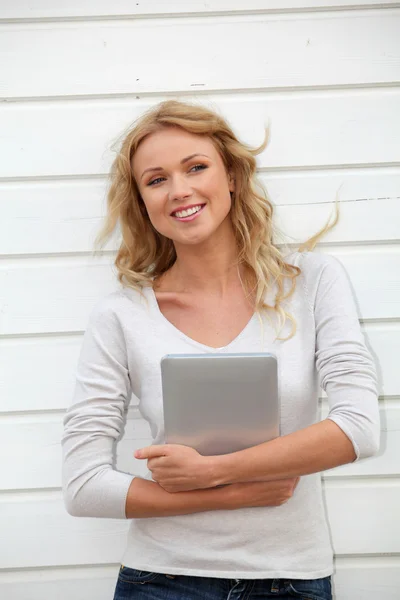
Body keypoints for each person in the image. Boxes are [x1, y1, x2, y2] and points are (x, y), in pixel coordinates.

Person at [61, 100, 380, 600]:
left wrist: (210, 472)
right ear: (142, 200)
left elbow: (359, 429)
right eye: (156, 179)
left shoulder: (313, 281)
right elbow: (83, 487)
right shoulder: (120, 316)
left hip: (289, 580)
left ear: (230, 175)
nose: (180, 190)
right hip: (158, 582)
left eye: (196, 167)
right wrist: (236, 495)